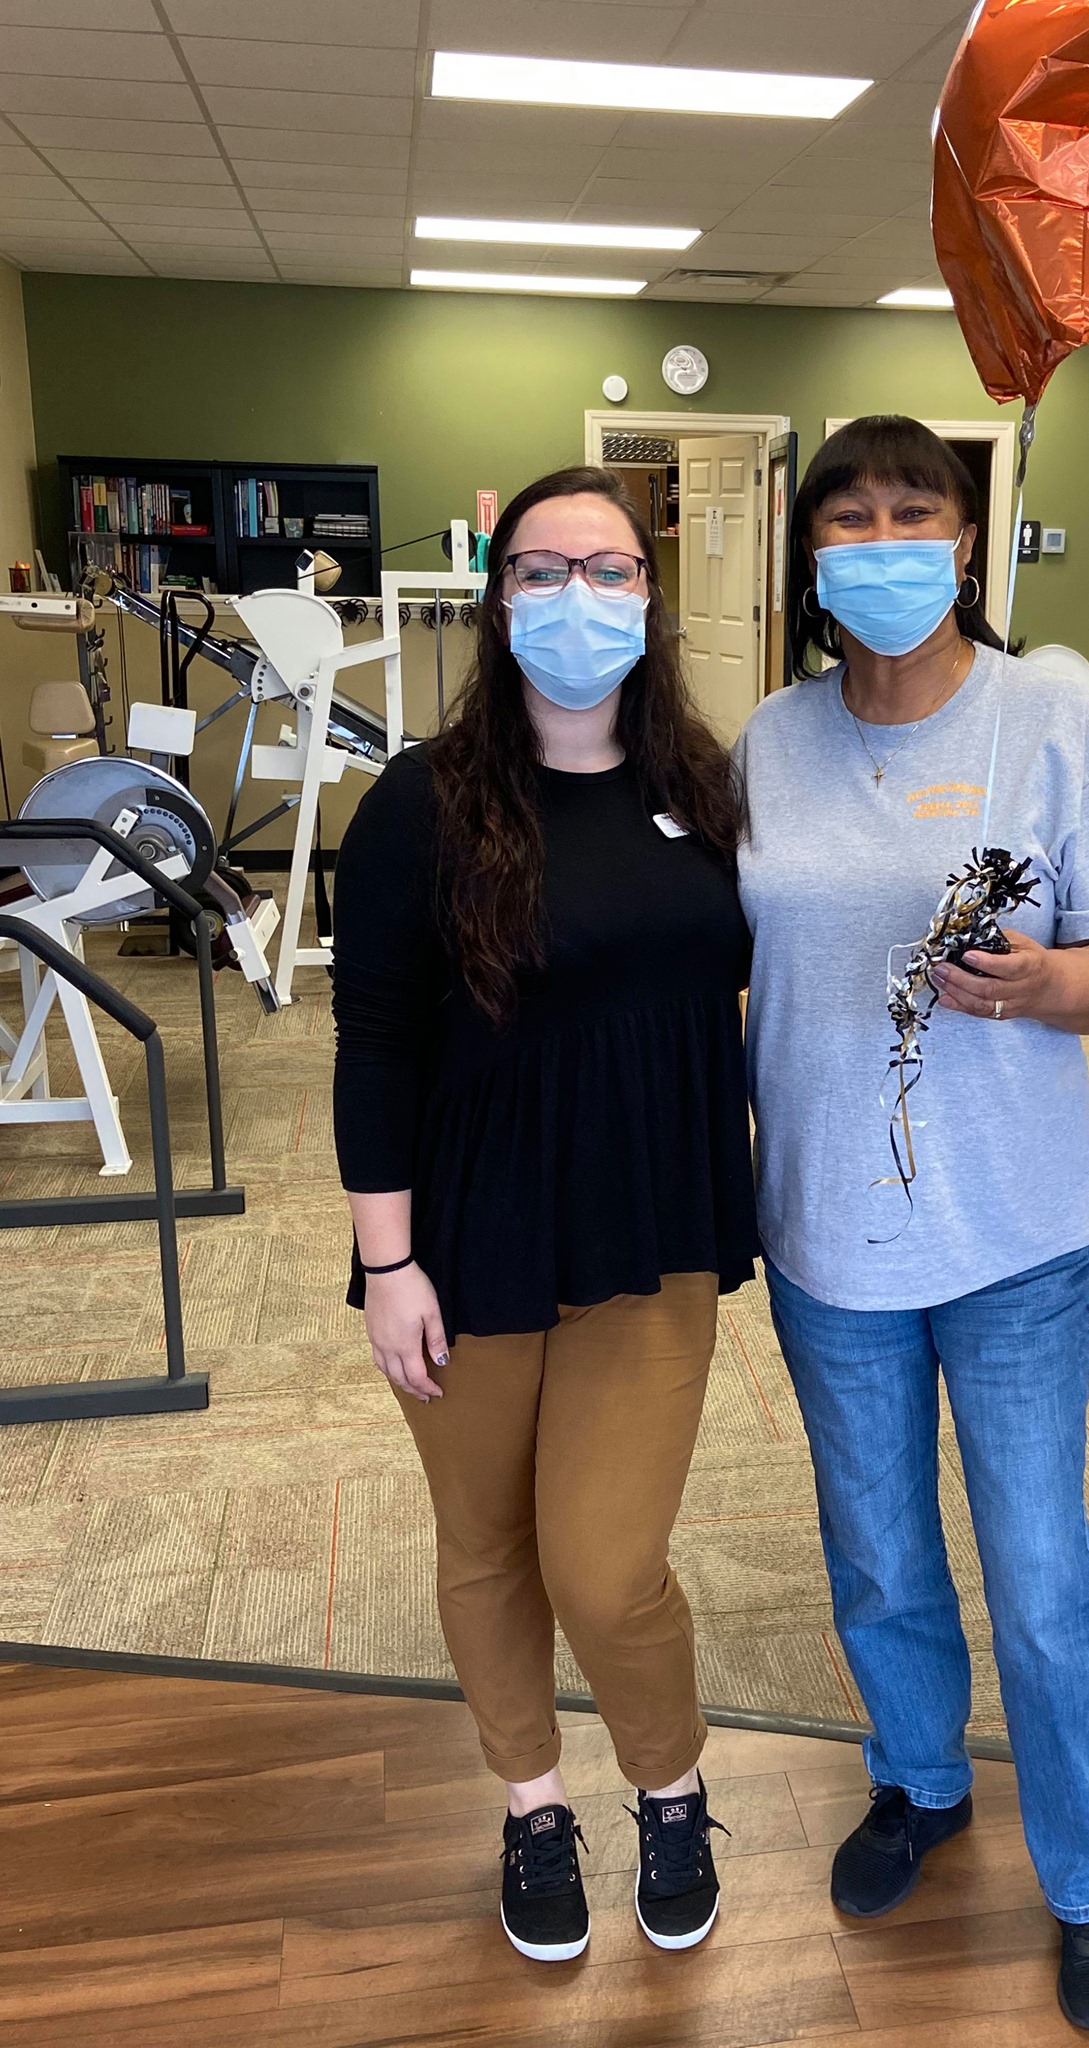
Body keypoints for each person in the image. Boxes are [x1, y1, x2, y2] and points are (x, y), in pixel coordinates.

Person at [734, 416, 1089, 2036]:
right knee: (877, 1550)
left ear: (967, 543)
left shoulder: (1046, 711)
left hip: (1017, 1240)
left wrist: (1051, 982)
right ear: (811, 555)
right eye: (847, 519)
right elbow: (730, 964)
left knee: (1041, 1574)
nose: (881, 544)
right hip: (827, 1235)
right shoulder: (769, 740)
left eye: (912, 513)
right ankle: (920, 1780)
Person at [330, 466, 757, 1963]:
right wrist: (388, 1261)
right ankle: (531, 1806)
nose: (579, 597)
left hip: (652, 1226)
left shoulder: (709, 789)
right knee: (488, 1543)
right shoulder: (419, 804)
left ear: (651, 597)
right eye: (542, 569)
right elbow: (375, 1042)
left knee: (605, 1564)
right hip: (467, 1237)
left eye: (610, 569)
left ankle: (672, 1789)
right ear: (498, 599)